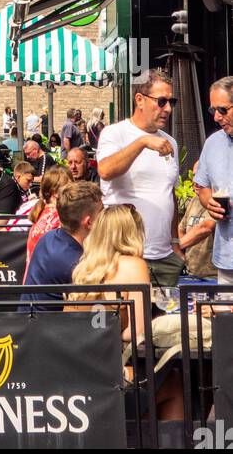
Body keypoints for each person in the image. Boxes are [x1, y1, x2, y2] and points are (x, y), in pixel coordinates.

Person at [67, 205, 185, 421]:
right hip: (109, 375)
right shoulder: (134, 265)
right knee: (175, 382)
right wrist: (114, 331)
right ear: (132, 233)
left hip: (76, 374)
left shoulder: (84, 269)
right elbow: (137, 332)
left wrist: (102, 329)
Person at [97, 70, 183, 288]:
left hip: (163, 256)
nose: (168, 109)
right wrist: (141, 142)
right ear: (139, 100)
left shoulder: (169, 142)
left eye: (171, 101)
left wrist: (175, 243)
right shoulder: (115, 133)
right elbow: (105, 170)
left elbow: (169, 193)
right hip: (123, 255)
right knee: (128, 320)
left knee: (164, 322)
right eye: (161, 101)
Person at [20, 181, 102, 311]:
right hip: (46, 328)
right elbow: (97, 316)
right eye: (101, 212)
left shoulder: (49, 237)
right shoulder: (75, 264)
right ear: (89, 222)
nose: (105, 216)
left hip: (28, 323)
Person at [194, 75, 233, 286]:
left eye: (223, 110)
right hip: (226, 259)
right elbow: (203, 187)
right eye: (213, 110)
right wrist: (208, 200)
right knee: (226, 318)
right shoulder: (213, 143)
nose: (216, 117)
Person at [25, 166, 72, 266]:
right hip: (47, 278)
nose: (74, 191)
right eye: (70, 188)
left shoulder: (42, 211)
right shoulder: (60, 217)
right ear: (56, 193)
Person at [178, 163, 217, 281]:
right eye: (194, 176)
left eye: (200, 177)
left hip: (214, 276)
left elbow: (205, 228)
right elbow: (181, 228)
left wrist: (174, 248)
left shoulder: (219, 200)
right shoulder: (194, 200)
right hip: (192, 274)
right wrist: (181, 256)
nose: (196, 180)